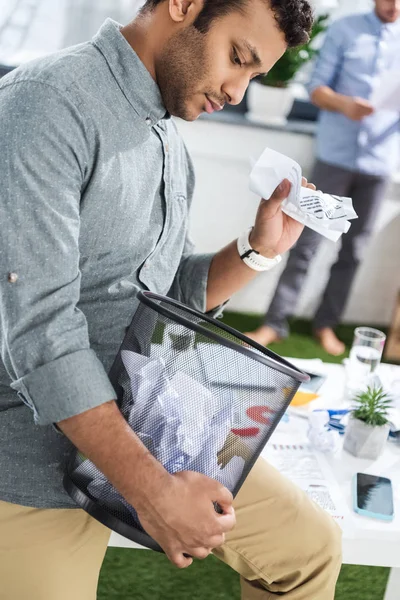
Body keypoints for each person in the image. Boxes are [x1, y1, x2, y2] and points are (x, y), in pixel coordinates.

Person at [0, 1, 342, 599]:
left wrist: (258, 250)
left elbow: (160, 301)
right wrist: (153, 490)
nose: (237, 92)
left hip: (149, 427)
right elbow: (40, 333)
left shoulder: (165, 137)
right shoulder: (43, 105)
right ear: (182, 5)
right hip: (31, 457)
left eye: (254, 78)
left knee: (309, 551)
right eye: (238, 58)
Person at [246, 0, 400, 356]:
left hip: (380, 163)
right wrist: (345, 105)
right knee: (304, 243)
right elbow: (316, 87)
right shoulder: (345, 30)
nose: (393, 5)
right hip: (336, 156)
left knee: (355, 251)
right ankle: (274, 323)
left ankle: (325, 324)